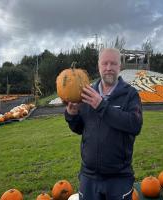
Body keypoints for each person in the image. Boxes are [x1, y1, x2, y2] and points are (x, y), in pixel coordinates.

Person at [64, 48, 143, 200]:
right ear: (98, 66)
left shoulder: (130, 94)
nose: (108, 68)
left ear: (120, 66)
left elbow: (135, 125)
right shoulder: (86, 92)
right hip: (89, 176)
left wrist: (102, 106)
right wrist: (72, 115)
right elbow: (80, 128)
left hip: (119, 177)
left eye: (113, 63)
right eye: (104, 63)